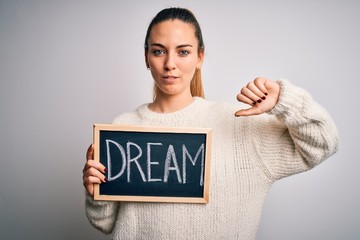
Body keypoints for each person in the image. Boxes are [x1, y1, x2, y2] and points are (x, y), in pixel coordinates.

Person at [82, 7, 339, 240]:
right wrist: (96, 192)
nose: (170, 64)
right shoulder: (123, 127)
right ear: (147, 57)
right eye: (159, 51)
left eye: (183, 52)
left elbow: (322, 144)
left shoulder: (239, 127)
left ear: (200, 57)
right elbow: (105, 223)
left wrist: (285, 99)